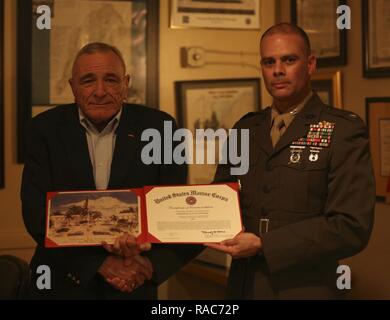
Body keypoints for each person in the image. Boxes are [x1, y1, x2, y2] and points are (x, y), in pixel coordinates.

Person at [206, 23, 376, 299]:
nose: (277, 71)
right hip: (243, 286)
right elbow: (220, 200)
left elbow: (350, 226)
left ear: (309, 64)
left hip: (304, 288)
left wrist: (265, 244)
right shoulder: (245, 129)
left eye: (289, 60)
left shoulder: (343, 130)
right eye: (268, 61)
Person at [21, 42, 201, 299]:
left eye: (111, 79)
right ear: (73, 87)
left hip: (135, 284)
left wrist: (150, 266)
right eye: (88, 80)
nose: (100, 91)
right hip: (62, 285)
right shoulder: (44, 130)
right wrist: (98, 264)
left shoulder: (161, 128)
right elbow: (35, 214)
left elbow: (178, 211)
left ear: (125, 83)